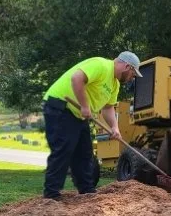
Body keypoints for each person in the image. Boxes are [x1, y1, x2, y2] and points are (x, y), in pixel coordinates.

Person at [41, 51, 143, 199]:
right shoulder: (101, 65)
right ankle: (51, 195)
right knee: (64, 148)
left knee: (84, 153)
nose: (131, 78)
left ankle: (86, 190)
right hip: (60, 105)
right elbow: (77, 78)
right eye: (133, 75)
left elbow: (108, 108)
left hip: (77, 115)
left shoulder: (114, 85)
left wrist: (115, 127)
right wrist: (84, 106)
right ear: (127, 66)